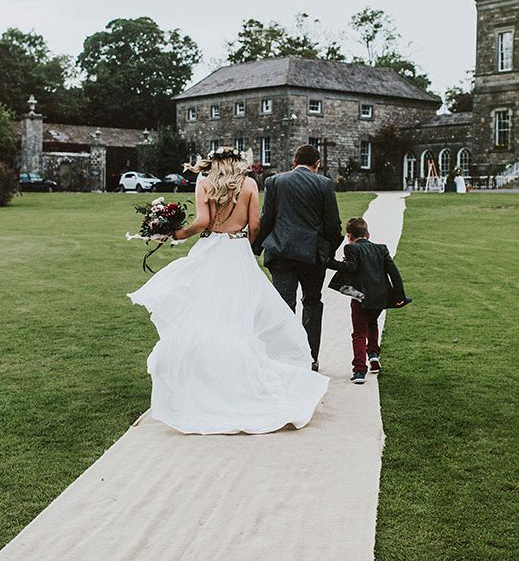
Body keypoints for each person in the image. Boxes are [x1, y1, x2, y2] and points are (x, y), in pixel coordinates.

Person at [128, 147, 328, 435]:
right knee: (242, 316)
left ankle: (209, 380)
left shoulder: (205, 182)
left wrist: (175, 234)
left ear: (213, 162)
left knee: (205, 313)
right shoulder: (249, 184)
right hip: (238, 251)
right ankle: (241, 379)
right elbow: (256, 224)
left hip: (211, 249)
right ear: (238, 162)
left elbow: (201, 223)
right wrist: (247, 246)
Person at [252, 144, 343, 372]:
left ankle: (283, 357)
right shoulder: (324, 184)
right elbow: (333, 225)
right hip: (312, 257)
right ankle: (310, 358)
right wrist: (328, 251)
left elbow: (267, 219)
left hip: (281, 255)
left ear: (294, 161)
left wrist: (254, 248)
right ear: (317, 164)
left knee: (284, 305)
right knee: (312, 303)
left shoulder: (275, 182)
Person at [327, 217, 410, 385]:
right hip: (380, 297)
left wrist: (330, 263)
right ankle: (373, 355)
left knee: (358, 333)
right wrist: (399, 296)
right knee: (372, 324)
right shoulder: (381, 249)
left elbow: (350, 267)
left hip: (360, 297)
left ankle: (359, 370)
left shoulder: (351, 249)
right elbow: (394, 273)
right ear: (368, 234)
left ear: (349, 236)